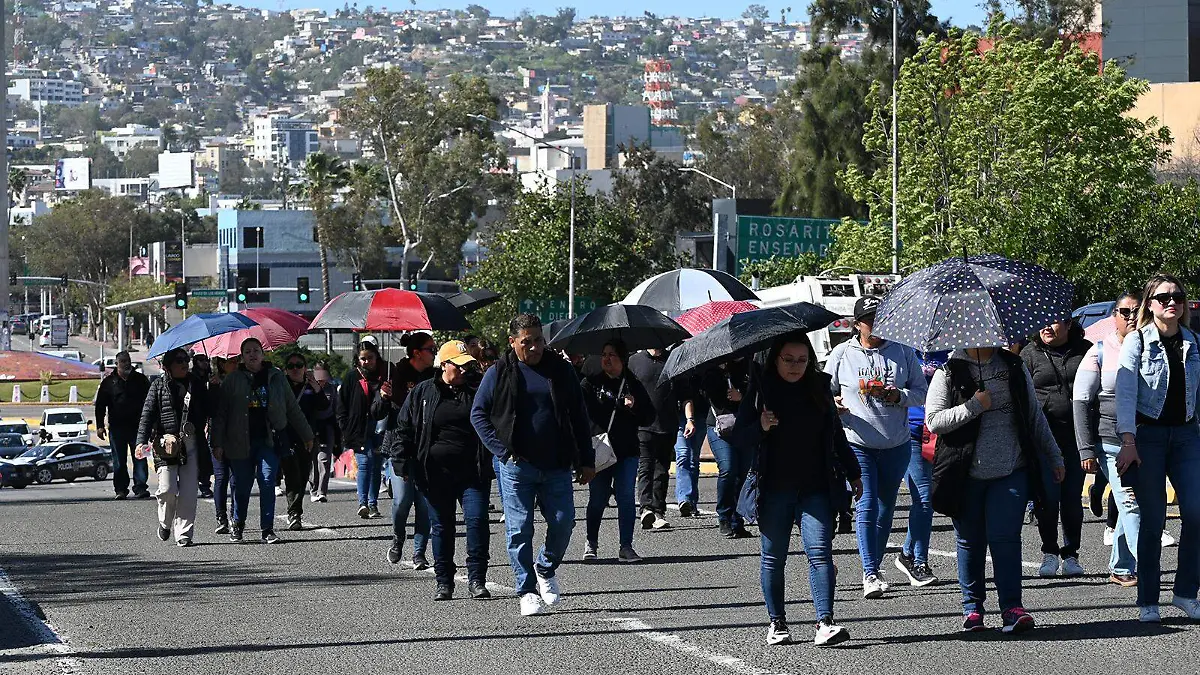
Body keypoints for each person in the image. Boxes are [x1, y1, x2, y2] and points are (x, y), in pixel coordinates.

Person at [732, 333, 862, 647]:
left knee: (820, 553)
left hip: (816, 486)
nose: (795, 366)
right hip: (774, 487)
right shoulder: (761, 390)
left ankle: (825, 622)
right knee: (773, 558)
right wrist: (760, 426)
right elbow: (739, 438)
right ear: (775, 358)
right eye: (788, 359)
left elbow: (836, 435)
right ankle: (777, 623)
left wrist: (853, 472)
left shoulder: (818, 387)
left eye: (802, 360)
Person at [926, 344, 1065, 634]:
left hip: (1011, 469)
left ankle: (1012, 608)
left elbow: (1034, 417)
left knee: (1006, 538)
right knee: (970, 541)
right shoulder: (949, 370)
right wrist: (973, 406)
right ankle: (972, 607)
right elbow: (934, 421)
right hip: (964, 473)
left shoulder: (1013, 367)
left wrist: (1054, 455)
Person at [471, 314, 595, 617]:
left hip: (556, 463)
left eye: (538, 340)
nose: (535, 347)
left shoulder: (561, 370)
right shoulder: (499, 372)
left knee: (564, 521)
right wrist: (502, 451)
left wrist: (587, 460)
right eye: (527, 342)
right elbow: (479, 414)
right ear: (513, 342)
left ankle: (545, 566)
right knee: (519, 528)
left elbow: (579, 416)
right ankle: (526, 590)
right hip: (517, 465)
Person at [825, 296, 928, 598]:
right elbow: (824, 391)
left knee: (885, 509)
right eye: (870, 318)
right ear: (858, 324)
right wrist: (833, 404)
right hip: (858, 442)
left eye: (882, 317)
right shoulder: (842, 354)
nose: (877, 324)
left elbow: (921, 392)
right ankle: (869, 572)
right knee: (866, 503)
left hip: (896, 443)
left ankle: (877, 566)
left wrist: (899, 396)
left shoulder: (903, 352)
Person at [1115, 274, 1200, 623]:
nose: (1172, 303)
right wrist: (1127, 442)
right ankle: (1148, 599)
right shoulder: (1136, 342)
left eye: (1177, 297)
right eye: (1163, 297)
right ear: (1150, 304)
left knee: (1196, 514)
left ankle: (1184, 594)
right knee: (1152, 521)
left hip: (1186, 436)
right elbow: (1125, 393)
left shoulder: (1193, 342)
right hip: (1147, 436)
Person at [391, 341, 493, 600]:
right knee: (442, 527)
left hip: (473, 471)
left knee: (477, 521)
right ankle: (444, 581)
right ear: (444, 365)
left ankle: (477, 579)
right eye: (457, 366)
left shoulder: (477, 389)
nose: (463, 370)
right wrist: (401, 462)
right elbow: (404, 428)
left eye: (466, 365)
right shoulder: (423, 392)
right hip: (435, 472)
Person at [211, 338, 314, 544]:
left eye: (256, 350)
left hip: (269, 440)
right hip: (239, 441)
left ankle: (267, 529)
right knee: (242, 485)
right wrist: (217, 442)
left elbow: (292, 408)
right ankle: (238, 523)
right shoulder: (233, 380)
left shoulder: (276, 377)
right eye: (247, 351)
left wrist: (307, 434)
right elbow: (220, 414)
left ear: (263, 354)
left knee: (267, 481)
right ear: (242, 356)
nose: (252, 354)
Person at [1074, 292, 1143, 587]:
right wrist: (1085, 448)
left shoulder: (1153, 348)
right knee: (1130, 503)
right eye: (1124, 311)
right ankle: (1147, 563)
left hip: (1148, 439)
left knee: (1137, 502)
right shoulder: (1099, 351)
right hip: (1110, 439)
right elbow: (1081, 399)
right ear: (1114, 315)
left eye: (1136, 311)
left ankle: (1121, 565)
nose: (1130, 317)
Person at [1022, 318, 1093, 578]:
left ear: (1069, 324)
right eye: (1042, 323)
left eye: (1053, 322)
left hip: (1077, 437)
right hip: (1043, 438)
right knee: (1048, 498)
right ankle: (1049, 553)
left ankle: (1072, 554)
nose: (1046, 328)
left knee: (1072, 498)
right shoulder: (1029, 354)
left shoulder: (1086, 350)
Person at [581, 340, 654, 563]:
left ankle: (626, 546)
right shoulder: (590, 383)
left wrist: (635, 406)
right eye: (604, 354)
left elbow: (649, 416)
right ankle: (591, 543)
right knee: (597, 499)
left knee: (625, 498)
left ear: (622, 359)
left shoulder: (633, 383)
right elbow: (579, 413)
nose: (606, 359)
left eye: (612, 355)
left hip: (626, 452)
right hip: (600, 450)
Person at [137, 348, 209, 547]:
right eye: (179, 361)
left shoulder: (197, 383)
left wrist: (214, 387)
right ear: (168, 366)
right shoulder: (158, 386)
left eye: (186, 360)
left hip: (192, 440)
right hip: (166, 443)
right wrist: (140, 441)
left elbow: (209, 409)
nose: (184, 363)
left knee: (188, 491)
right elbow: (147, 414)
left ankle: (184, 533)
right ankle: (165, 522)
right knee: (167, 489)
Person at [382, 332, 436, 569]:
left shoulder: (436, 376)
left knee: (424, 504)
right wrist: (384, 396)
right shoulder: (396, 373)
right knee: (402, 499)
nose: (434, 353)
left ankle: (419, 552)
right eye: (431, 349)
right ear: (417, 353)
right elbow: (382, 411)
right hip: (400, 445)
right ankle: (398, 536)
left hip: (428, 447)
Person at [898, 351, 948, 587]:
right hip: (911, 432)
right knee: (924, 498)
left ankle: (907, 553)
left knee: (931, 498)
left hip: (943, 431)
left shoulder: (951, 352)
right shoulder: (902, 352)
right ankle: (919, 562)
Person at [628, 347, 682, 530]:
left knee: (662, 470)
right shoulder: (635, 360)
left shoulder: (673, 360)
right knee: (645, 466)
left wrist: (689, 419)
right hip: (642, 424)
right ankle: (646, 509)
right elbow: (626, 386)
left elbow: (685, 392)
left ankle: (659, 511)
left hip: (668, 424)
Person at [701, 358, 754, 538]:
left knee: (742, 473)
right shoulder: (712, 370)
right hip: (719, 426)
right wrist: (721, 373)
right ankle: (724, 516)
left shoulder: (750, 367)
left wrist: (742, 395)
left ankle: (736, 519)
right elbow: (706, 393)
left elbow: (759, 394)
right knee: (728, 469)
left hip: (744, 427)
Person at [337, 341, 388, 520]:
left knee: (376, 464)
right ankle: (363, 503)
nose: (367, 362)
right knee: (365, 462)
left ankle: (373, 504)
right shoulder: (352, 377)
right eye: (363, 359)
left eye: (370, 358)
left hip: (380, 426)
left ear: (377, 356)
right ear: (358, 360)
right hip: (358, 427)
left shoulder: (386, 374)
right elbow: (341, 404)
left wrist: (387, 394)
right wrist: (344, 427)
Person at [280, 353, 330, 531]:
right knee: (292, 473)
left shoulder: (310, 387)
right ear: (286, 369)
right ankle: (294, 513)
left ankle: (295, 510)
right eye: (291, 366)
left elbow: (324, 406)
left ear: (305, 367)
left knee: (302, 476)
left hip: (307, 437)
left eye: (298, 365)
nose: (295, 369)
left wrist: (315, 385)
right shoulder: (281, 385)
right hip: (284, 435)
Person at [95, 350, 152, 500]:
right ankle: (121, 489)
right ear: (117, 364)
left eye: (128, 361)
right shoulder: (108, 382)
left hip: (138, 427)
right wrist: (100, 425)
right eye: (123, 361)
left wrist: (152, 425)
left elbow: (150, 403)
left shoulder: (140, 380)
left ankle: (140, 487)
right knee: (119, 461)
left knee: (140, 457)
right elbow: (100, 405)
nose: (127, 364)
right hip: (117, 428)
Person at [209, 355, 238, 535]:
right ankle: (221, 517)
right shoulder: (213, 383)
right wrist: (214, 388)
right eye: (231, 360)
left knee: (236, 479)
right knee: (221, 478)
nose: (235, 363)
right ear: (221, 363)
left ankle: (236, 516)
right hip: (217, 436)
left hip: (237, 437)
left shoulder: (243, 380)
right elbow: (210, 409)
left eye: (236, 360)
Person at [674, 372, 708, 520]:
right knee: (683, 455)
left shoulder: (704, 364)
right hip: (679, 414)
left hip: (701, 413)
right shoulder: (676, 357)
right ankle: (684, 499)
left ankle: (692, 502)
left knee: (694, 459)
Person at [308, 363, 340, 503]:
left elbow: (336, 410)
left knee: (324, 460)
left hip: (327, 427)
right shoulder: (307, 389)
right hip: (310, 427)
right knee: (312, 461)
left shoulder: (332, 389)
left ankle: (322, 491)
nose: (322, 381)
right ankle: (313, 490)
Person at [191, 354, 215, 499]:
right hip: (194, 420)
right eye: (201, 361)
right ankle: (193, 484)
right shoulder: (192, 378)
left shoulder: (211, 376)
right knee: (193, 454)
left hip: (209, 417)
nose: (205, 363)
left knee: (206, 454)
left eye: (206, 360)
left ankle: (205, 484)